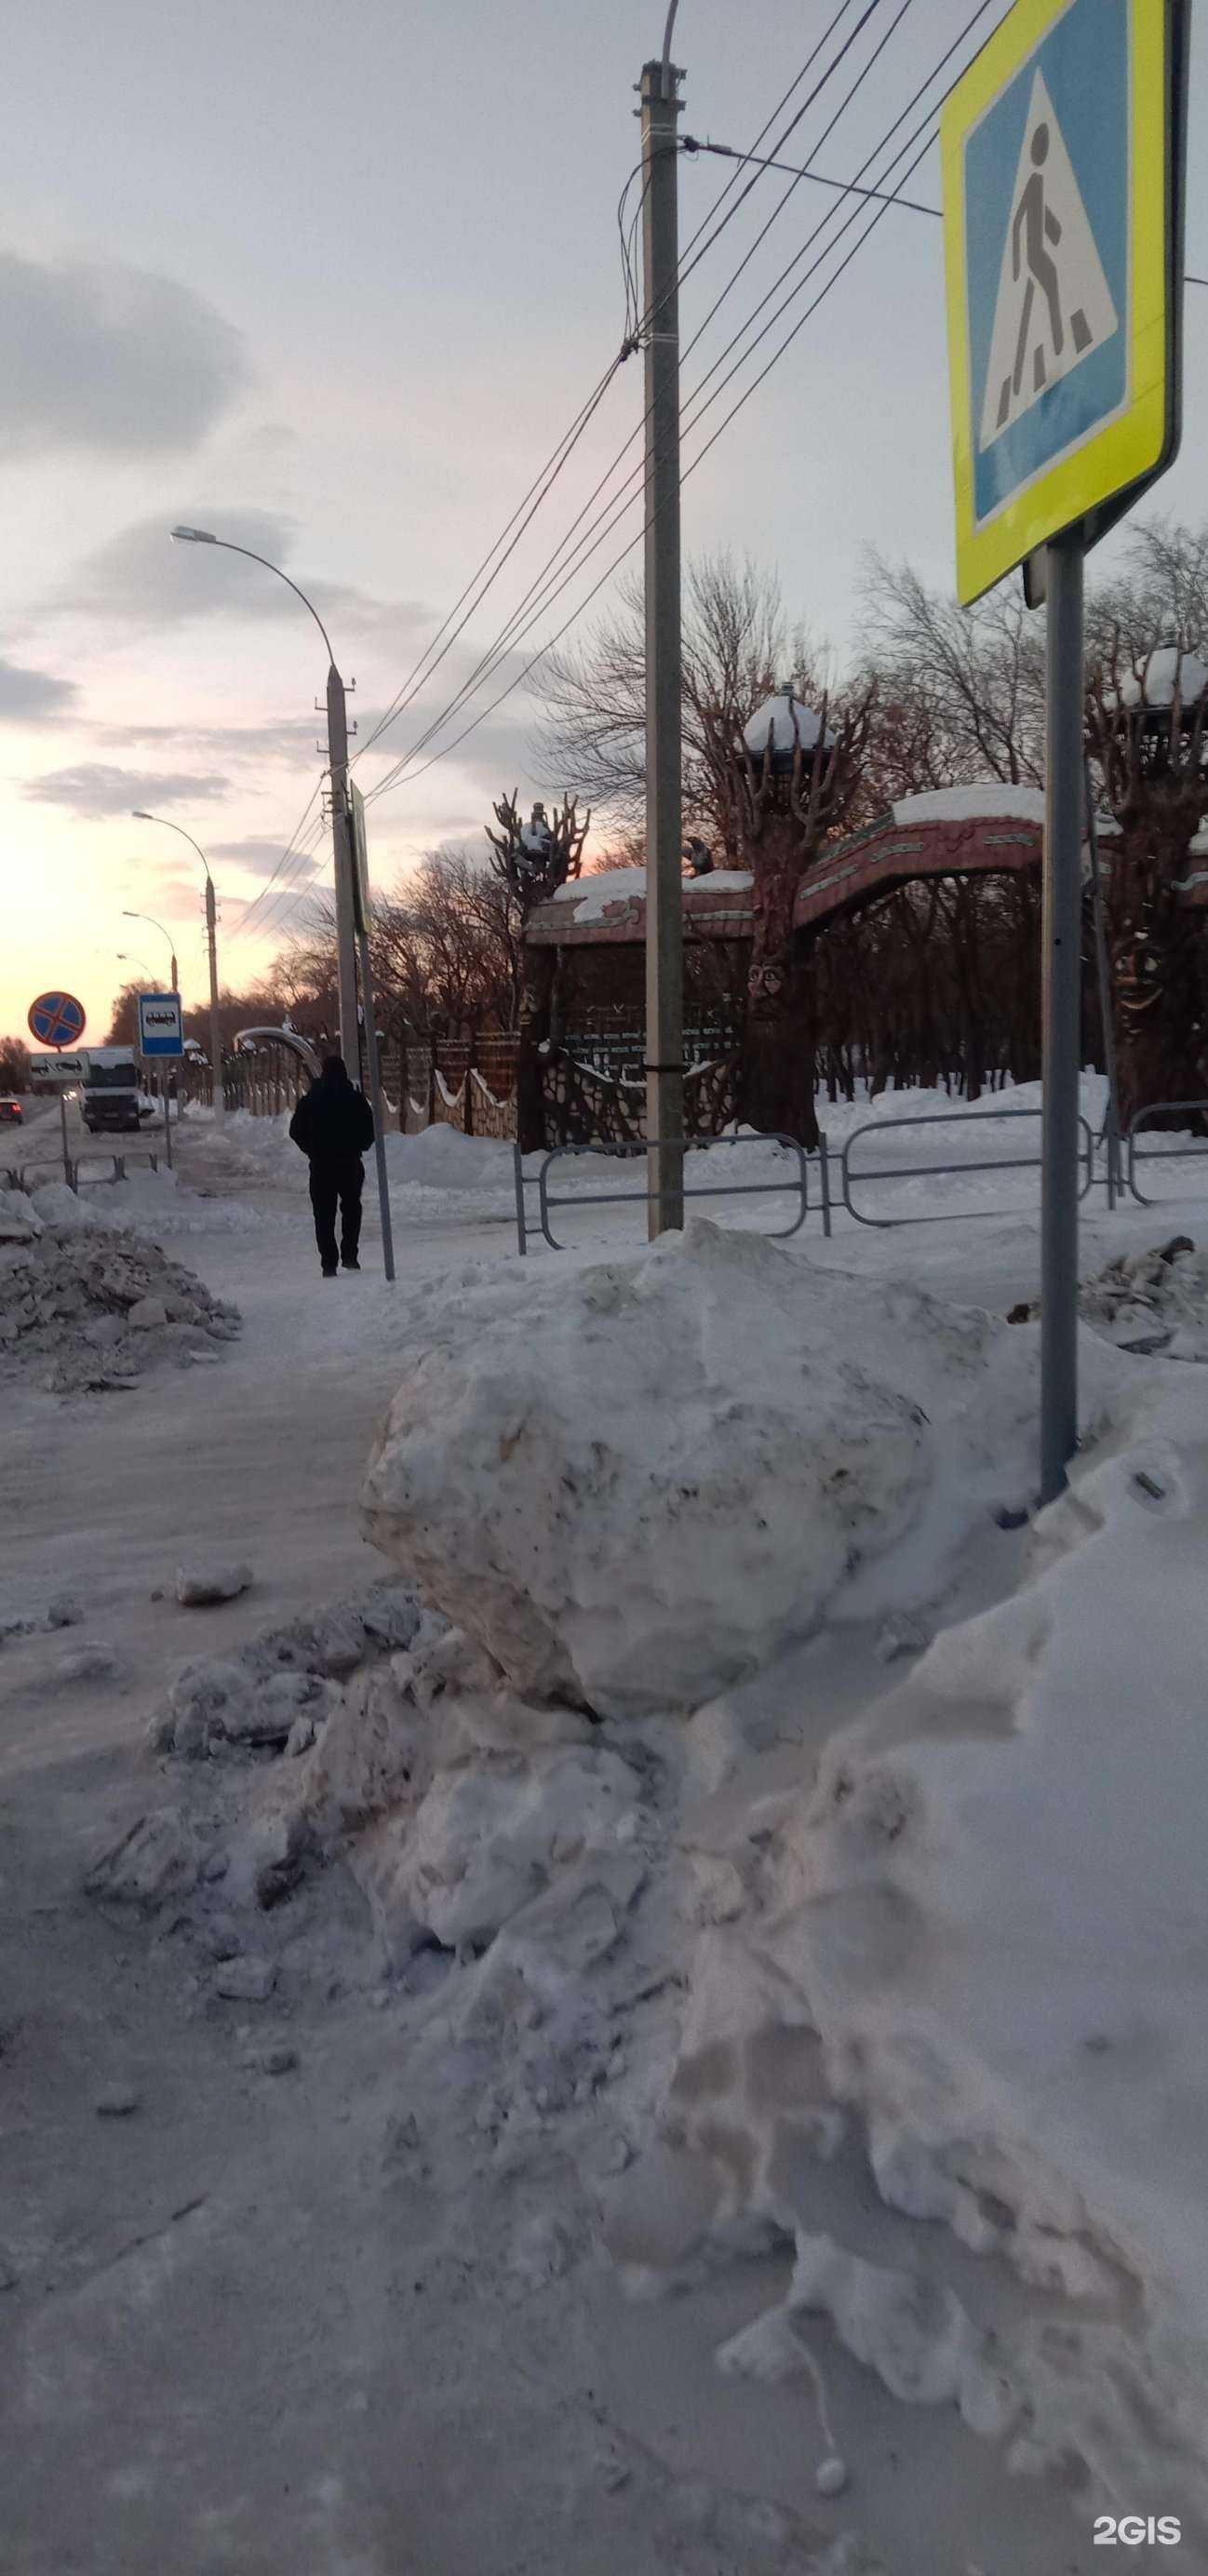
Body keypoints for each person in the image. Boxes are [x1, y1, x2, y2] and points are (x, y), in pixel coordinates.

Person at [289, 1054, 375, 1276]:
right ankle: (349, 1255)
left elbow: (295, 1131)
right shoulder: (355, 1099)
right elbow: (369, 1130)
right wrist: (359, 1146)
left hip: (321, 1165)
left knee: (323, 1214)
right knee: (352, 1208)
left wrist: (311, 1150)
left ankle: (328, 1262)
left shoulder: (310, 1100)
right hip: (350, 1163)